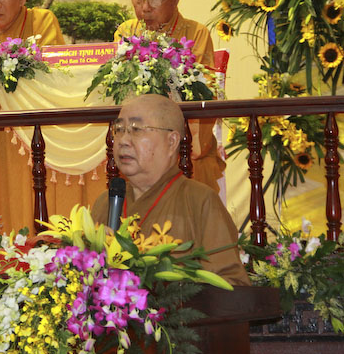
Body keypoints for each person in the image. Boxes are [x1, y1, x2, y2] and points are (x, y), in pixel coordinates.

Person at [91, 94, 249, 286]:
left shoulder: (199, 201)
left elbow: (232, 286)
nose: (123, 140)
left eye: (136, 129)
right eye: (119, 129)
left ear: (172, 141)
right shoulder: (105, 203)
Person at [115, 0, 223, 192]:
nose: (145, 8)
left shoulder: (196, 33)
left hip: (181, 141)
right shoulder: (125, 33)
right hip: (134, 137)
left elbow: (203, 94)